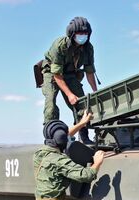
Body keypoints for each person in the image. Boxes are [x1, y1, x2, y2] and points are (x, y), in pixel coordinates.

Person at [41, 16, 98, 144]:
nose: (83, 36)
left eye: (86, 33)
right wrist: (69, 94)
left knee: (81, 104)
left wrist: (95, 91)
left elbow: (89, 72)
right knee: (50, 104)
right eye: (80, 33)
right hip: (52, 73)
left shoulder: (88, 48)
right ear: (72, 34)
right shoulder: (60, 45)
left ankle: (84, 137)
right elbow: (57, 75)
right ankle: (51, 139)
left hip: (71, 74)